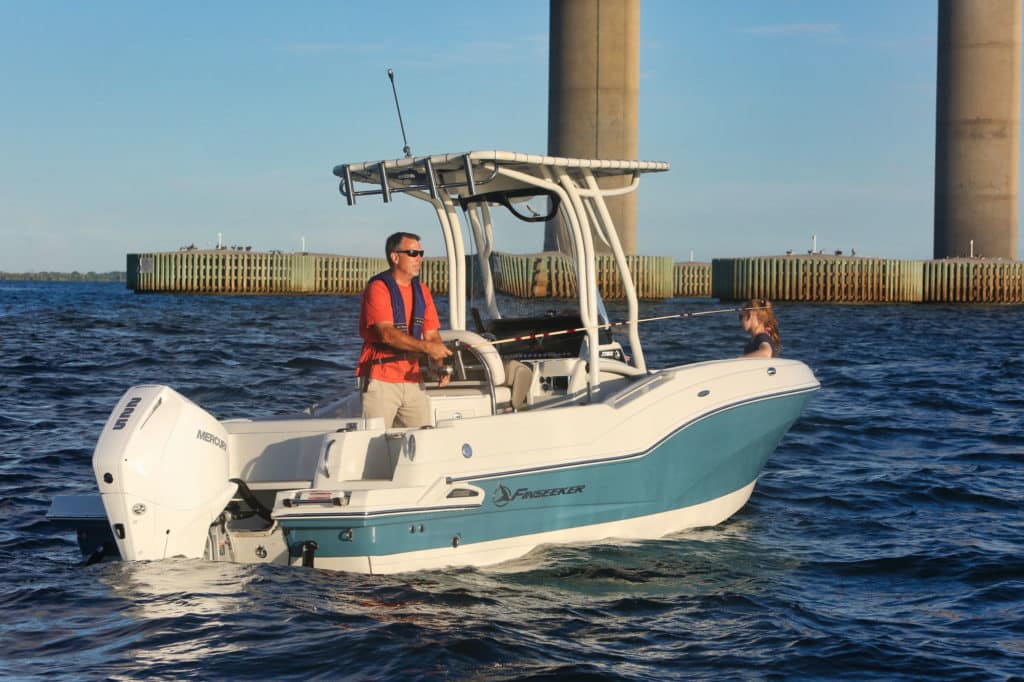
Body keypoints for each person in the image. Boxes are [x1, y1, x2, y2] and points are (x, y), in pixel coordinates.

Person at [357, 232, 452, 428]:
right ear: (395, 256)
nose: (419, 258)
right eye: (412, 253)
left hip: (413, 379)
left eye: (420, 253)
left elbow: (432, 334)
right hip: (381, 379)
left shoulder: (422, 291)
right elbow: (387, 334)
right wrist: (428, 348)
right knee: (375, 443)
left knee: (424, 439)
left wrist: (439, 363)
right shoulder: (378, 288)